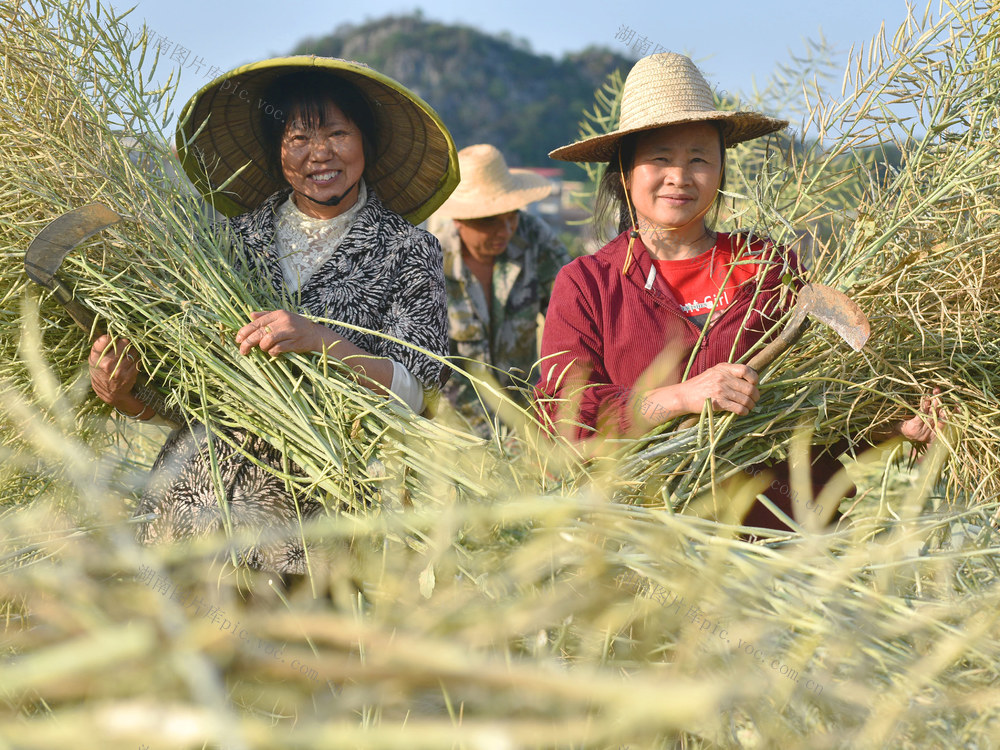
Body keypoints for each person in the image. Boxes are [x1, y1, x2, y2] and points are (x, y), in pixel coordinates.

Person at [88, 57, 458, 573]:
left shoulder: (407, 248)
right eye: (299, 138)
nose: (320, 153)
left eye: (337, 133)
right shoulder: (229, 244)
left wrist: (319, 340)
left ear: (366, 143)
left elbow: (417, 391)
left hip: (314, 532)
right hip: (186, 517)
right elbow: (187, 397)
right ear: (276, 151)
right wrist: (124, 391)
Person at [537, 52, 937, 530]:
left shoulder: (768, 268)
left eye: (699, 159)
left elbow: (815, 404)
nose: (680, 177)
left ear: (721, 171)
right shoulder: (589, 283)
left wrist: (891, 428)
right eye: (660, 159)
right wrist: (681, 397)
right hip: (643, 544)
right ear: (625, 171)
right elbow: (564, 418)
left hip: (780, 546)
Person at [428, 144, 571, 437]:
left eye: (511, 216)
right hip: (456, 432)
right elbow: (432, 367)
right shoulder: (432, 264)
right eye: (489, 221)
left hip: (527, 418)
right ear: (460, 220)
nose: (505, 230)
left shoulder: (535, 240)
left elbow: (572, 317)